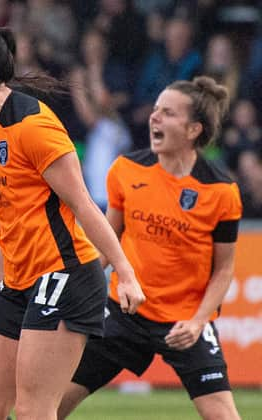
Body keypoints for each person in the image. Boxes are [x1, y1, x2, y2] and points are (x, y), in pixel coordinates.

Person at [0, 22, 145, 420]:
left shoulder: (35, 128)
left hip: (64, 275)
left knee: (34, 410)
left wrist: (125, 272)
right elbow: (10, 217)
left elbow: (85, 206)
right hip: (16, 283)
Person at [59, 77, 242, 420]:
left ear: (192, 130)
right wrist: (74, 285)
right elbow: (106, 242)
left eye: (168, 113)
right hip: (123, 313)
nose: (154, 118)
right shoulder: (126, 170)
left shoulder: (221, 190)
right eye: (155, 110)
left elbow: (224, 269)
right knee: (47, 407)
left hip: (184, 321)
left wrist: (198, 322)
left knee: (224, 416)